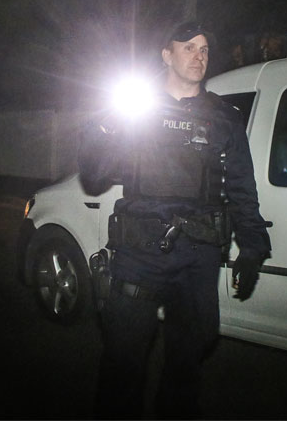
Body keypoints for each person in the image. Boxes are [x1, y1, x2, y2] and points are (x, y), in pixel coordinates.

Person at [79, 21, 272, 419]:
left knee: (186, 368)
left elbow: (241, 186)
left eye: (204, 49)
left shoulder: (224, 117)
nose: (199, 55)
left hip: (197, 257)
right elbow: (94, 174)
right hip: (138, 253)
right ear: (166, 55)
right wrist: (104, 123)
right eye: (188, 47)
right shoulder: (137, 110)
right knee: (122, 366)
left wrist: (253, 245)